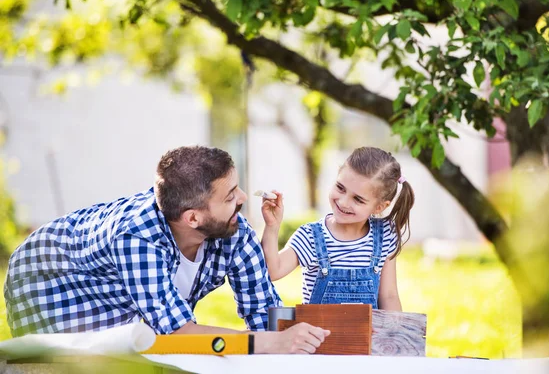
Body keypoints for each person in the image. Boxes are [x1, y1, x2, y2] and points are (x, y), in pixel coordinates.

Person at [4, 145, 329, 354]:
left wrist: (297, 336)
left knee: (151, 346)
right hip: (47, 282)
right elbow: (178, 332)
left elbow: (265, 310)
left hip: (125, 297)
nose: (243, 198)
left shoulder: (233, 228)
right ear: (193, 218)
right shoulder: (137, 237)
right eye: (230, 196)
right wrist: (268, 343)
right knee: (100, 357)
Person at [260, 147, 415, 310]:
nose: (343, 202)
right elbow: (273, 271)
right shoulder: (310, 236)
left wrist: (393, 334)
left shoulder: (385, 236)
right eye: (340, 188)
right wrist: (272, 225)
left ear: (379, 207)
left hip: (368, 335)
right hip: (317, 334)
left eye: (358, 199)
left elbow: (389, 296)